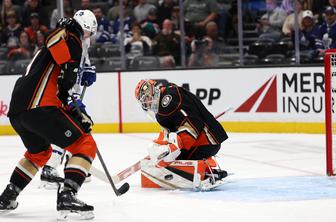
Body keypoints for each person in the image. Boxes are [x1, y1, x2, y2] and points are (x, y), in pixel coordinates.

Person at [0, 9, 98, 220]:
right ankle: (67, 197)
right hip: (38, 106)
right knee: (85, 144)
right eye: (88, 34)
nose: (87, 39)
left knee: (39, 153)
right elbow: (52, 40)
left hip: (19, 111)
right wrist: (71, 66)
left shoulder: (63, 41)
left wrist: (74, 108)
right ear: (85, 29)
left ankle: (8, 195)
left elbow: (60, 90)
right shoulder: (68, 35)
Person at [134, 79, 228, 189]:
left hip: (207, 141)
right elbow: (174, 128)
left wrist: (172, 148)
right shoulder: (165, 97)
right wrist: (163, 145)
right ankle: (208, 171)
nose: (146, 103)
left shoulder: (167, 102)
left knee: (173, 158)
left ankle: (203, 175)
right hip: (207, 139)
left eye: (146, 98)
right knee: (170, 155)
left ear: (152, 92)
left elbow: (192, 126)